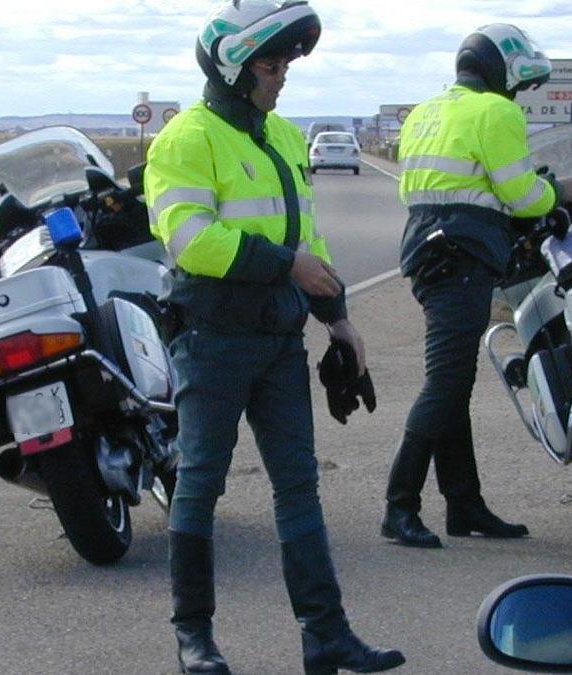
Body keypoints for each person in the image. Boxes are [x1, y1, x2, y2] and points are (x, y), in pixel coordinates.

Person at [144, 2, 404, 673]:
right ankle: (193, 638)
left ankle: (327, 634)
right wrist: (284, 264)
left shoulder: (284, 137)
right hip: (212, 339)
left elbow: (309, 241)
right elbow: (191, 241)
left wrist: (339, 319)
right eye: (272, 61)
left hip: (280, 340)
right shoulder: (184, 139)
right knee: (199, 482)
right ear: (234, 66)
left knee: (299, 485)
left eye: (286, 61)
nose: (282, 73)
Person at [381, 24, 572, 548]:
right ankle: (399, 506)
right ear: (501, 70)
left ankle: (464, 503)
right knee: (445, 384)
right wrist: (559, 189)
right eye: (518, 85)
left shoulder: (427, 112)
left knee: (454, 381)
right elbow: (522, 194)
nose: (518, 96)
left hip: (426, 251)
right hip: (462, 256)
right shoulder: (495, 112)